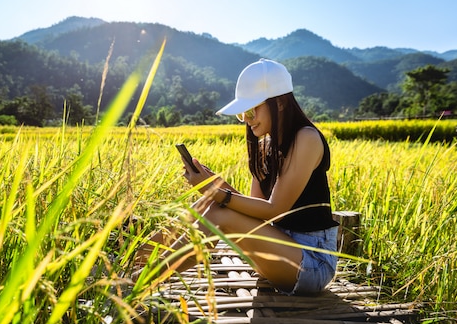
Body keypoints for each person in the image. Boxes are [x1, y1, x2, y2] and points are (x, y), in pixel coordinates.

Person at [137, 58, 339, 295]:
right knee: (204, 203)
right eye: (242, 113)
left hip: (312, 264)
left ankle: (141, 282)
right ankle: (137, 260)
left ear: (281, 103)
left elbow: (275, 209)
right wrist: (216, 186)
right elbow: (257, 214)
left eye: (251, 110)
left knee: (215, 207)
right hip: (276, 254)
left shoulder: (306, 139)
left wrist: (218, 193)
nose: (247, 119)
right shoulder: (267, 147)